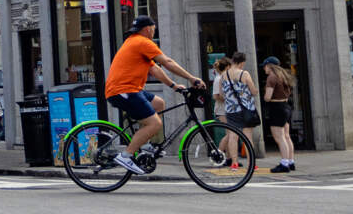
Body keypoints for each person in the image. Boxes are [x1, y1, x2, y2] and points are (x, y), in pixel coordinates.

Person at [104, 16, 203, 175]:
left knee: (159, 104)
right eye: (154, 29)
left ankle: (144, 144)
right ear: (148, 29)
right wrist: (191, 78)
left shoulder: (135, 42)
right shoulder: (143, 42)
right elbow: (167, 62)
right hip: (123, 90)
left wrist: (173, 86)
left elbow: (155, 69)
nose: (153, 31)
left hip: (131, 89)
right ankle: (126, 155)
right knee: (154, 124)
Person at [216, 53, 260, 168]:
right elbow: (254, 91)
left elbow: (221, 94)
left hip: (231, 110)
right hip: (246, 109)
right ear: (242, 62)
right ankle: (252, 163)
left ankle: (234, 162)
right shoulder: (244, 74)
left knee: (232, 136)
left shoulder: (223, 75)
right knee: (248, 137)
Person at [262, 56, 298, 172]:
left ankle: (284, 164)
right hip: (286, 107)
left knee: (279, 137)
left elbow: (268, 97)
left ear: (269, 66)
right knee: (286, 136)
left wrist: (264, 96)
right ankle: (291, 161)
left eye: (265, 66)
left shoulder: (271, 78)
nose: (264, 69)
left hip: (276, 108)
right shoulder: (283, 76)